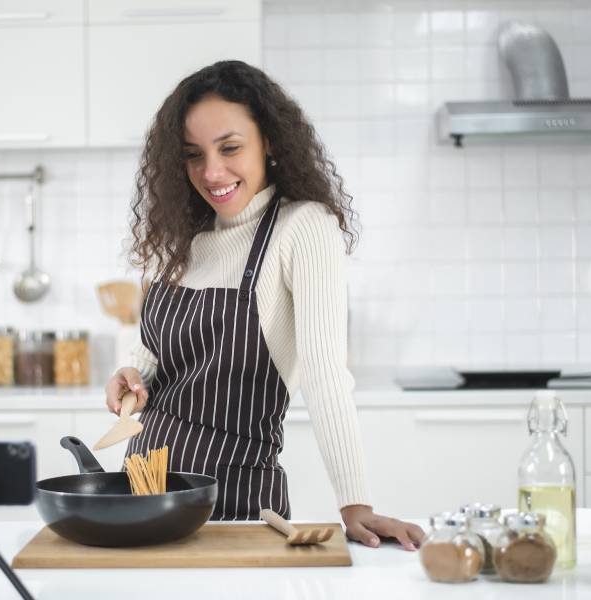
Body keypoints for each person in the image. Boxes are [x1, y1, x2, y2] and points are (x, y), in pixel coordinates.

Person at [104, 60, 424, 550]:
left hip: (236, 511)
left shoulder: (302, 228)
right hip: (144, 494)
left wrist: (355, 504)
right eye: (193, 155)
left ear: (270, 141)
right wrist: (130, 374)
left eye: (230, 148)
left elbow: (324, 372)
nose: (212, 172)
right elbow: (151, 351)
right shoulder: (181, 238)